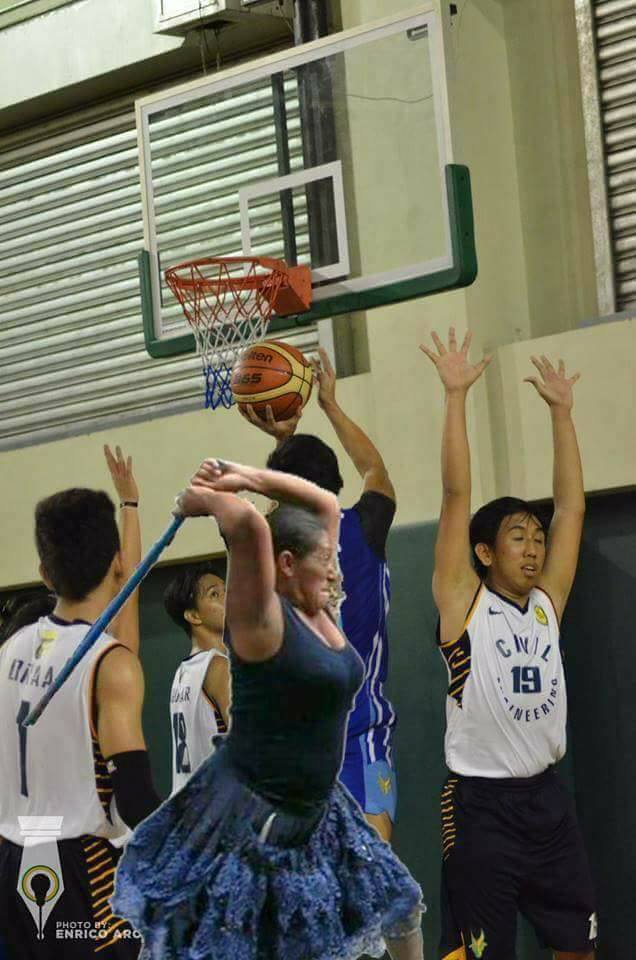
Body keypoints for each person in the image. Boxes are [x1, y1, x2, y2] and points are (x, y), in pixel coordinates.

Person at [113, 458, 424, 960]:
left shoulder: (317, 605)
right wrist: (206, 500)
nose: (336, 570)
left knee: (401, 907)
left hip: (321, 806)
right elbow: (247, 524)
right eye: (324, 559)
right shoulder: (259, 620)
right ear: (284, 564)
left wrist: (241, 474)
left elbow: (321, 501)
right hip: (259, 811)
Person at [421, 328, 597, 960]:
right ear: (485, 552)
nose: (534, 547)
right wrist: (454, 397)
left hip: (548, 802)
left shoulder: (546, 607)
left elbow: (571, 509)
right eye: (518, 537)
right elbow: (454, 497)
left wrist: (562, 413)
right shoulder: (464, 604)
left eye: (536, 537)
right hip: (480, 809)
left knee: (578, 948)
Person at [0, 446, 159, 959]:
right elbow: (135, 800)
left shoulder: (11, 648)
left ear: (45, 573)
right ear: (115, 562)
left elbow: (123, 607)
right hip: (80, 873)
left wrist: (129, 507)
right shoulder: (108, 666)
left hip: (13, 859)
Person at [241, 347, 398, 843]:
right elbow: (375, 470)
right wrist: (329, 403)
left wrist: (284, 440)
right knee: (369, 888)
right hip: (359, 739)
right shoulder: (367, 528)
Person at [164, 560, 230, 794]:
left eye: (226, 590)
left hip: (187, 806)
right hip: (214, 810)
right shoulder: (218, 667)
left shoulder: (183, 673)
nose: (227, 598)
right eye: (215, 594)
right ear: (193, 615)